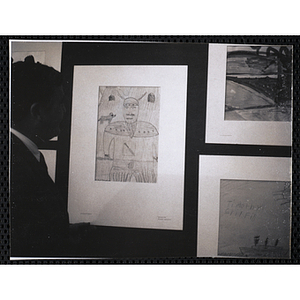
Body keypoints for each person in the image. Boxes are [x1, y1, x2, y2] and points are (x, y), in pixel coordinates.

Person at [10, 56, 69, 256]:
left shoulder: (23, 153)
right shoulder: (15, 166)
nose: (64, 111)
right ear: (37, 112)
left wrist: (64, 233)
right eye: (60, 104)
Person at [102, 96, 159, 183]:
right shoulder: (112, 128)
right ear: (123, 111)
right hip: (119, 167)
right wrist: (106, 153)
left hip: (144, 167)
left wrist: (156, 155)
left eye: (133, 108)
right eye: (126, 107)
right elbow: (106, 141)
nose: (130, 111)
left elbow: (156, 144)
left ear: (138, 111)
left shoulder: (149, 128)